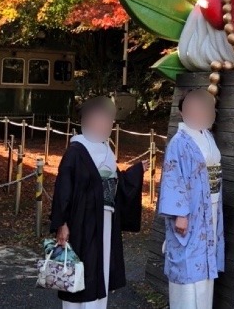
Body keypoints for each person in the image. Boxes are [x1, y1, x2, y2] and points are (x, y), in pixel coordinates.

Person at [50, 96, 147, 309]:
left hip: (105, 220)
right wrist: (62, 222)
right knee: (78, 269)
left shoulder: (106, 149)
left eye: (108, 121)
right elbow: (63, 187)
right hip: (80, 221)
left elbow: (115, 181)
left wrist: (137, 171)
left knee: (100, 267)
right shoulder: (76, 151)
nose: (105, 125)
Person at [158, 88, 224, 309]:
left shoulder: (207, 135)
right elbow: (173, 177)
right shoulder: (180, 141)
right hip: (190, 211)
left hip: (210, 207)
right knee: (187, 262)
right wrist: (180, 214)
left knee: (205, 262)